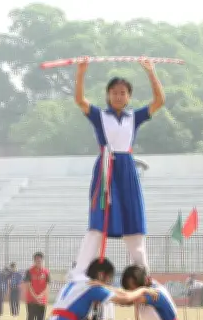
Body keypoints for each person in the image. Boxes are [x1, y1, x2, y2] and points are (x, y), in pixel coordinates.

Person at [69, 57, 165, 280]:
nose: (118, 96)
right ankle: (80, 272)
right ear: (108, 95)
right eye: (114, 92)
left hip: (127, 171)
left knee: (134, 223)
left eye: (123, 92)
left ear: (129, 96)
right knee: (97, 223)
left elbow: (159, 101)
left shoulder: (134, 117)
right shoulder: (99, 115)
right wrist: (81, 72)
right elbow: (80, 100)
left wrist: (151, 71)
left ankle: (143, 273)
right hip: (105, 171)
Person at [37, 258, 157, 320]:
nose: (108, 283)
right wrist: (144, 290)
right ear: (101, 275)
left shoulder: (75, 282)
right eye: (108, 279)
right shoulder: (93, 286)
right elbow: (125, 299)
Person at [121, 265, 191, 320]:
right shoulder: (146, 287)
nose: (131, 292)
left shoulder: (154, 294)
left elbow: (127, 299)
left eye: (132, 289)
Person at [24, 252, 50, 320]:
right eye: (36, 260)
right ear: (34, 260)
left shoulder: (46, 272)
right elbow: (28, 285)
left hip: (42, 302)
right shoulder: (29, 272)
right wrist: (35, 297)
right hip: (31, 301)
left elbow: (47, 286)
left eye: (40, 260)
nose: (38, 261)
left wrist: (40, 296)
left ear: (42, 260)